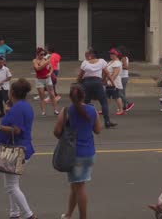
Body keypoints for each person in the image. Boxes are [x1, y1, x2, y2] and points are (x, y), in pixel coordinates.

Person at [0, 78, 38, 219]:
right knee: (11, 184)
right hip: (21, 148)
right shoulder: (24, 106)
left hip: (16, 150)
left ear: (12, 92)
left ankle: (29, 215)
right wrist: (10, 110)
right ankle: (14, 213)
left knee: (11, 186)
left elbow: (16, 130)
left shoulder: (17, 109)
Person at [54, 84, 102, 219]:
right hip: (89, 153)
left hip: (73, 154)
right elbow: (98, 130)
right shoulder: (92, 110)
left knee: (79, 188)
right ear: (84, 96)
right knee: (76, 185)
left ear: (70, 97)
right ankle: (69, 213)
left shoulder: (66, 111)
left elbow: (57, 132)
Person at [77, 48, 117, 129]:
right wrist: (113, 83)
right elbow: (107, 73)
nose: (85, 56)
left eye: (86, 54)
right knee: (103, 102)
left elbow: (80, 76)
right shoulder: (102, 61)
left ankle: (85, 121)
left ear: (90, 55)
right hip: (97, 82)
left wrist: (77, 83)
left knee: (86, 103)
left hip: (86, 83)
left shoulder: (85, 63)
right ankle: (107, 121)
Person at [33, 47, 59, 116]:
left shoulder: (45, 59)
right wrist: (46, 62)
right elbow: (38, 68)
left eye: (43, 54)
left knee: (52, 95)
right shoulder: (35, 61)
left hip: (47, 79)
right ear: (37, 54)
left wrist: (50, 73)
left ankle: (55, 110)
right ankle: (43, 111)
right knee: (42, 95)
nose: (42, 56)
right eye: (41, 54)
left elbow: (51, 68)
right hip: (39, 80)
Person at [105, 48, 124, 115]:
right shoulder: (111, 62)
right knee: (107, 96)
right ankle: (104, 109)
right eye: (110, 53)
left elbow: (115, 74)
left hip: (114, 82)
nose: (110, 55)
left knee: (116, 97)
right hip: (109, 82)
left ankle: (121, 110)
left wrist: (110, 82)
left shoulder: (117, 63)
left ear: (116, 55)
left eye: (112, 54)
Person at [119, 47, 134, 112]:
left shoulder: (123, 58)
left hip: (123, 77)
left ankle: (129, 103)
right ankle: (124, 106)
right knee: (122, 92)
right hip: (124, 77)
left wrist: (118, 66)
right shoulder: (125, 57)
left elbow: (126, 67)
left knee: (119, 92)